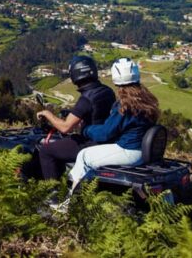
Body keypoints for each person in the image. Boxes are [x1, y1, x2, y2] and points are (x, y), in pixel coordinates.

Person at [52, 57, 160, 213]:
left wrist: (86, 129)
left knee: (83, 156)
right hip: (142, 150)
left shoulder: (125, 104)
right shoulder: (147, 100)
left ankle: (67, 205)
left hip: (129, 151)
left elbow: (105, 133)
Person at [35, 55, 115, 181]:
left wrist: (47, 114)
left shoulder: (86, 98)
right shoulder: (107, 90)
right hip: (107, 140)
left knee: (46, 151)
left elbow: (65, 127)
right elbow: (98, 114)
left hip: (90, 142)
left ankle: (52, 190)